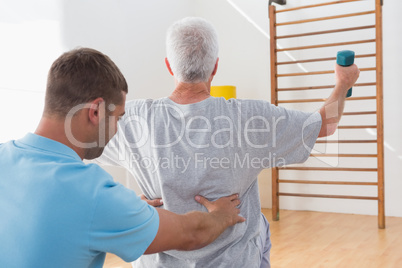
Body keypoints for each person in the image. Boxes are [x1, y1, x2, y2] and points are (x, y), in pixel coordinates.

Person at [96, 17, 360, 268]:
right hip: (233, 260)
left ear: (169, 66)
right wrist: (343, 83)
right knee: (260, 226)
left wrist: (125, 204)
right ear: (215, 67)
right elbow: (325, 124)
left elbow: (71, 144)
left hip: (155, 262)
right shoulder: (252, 118)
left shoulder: (131, 118)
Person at [0, 48, 246, 268]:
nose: (117, 129)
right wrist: (222, 215)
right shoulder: (92, 193)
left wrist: (125, 211)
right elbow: (190, 234)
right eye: (118, 117)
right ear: (95, 111)